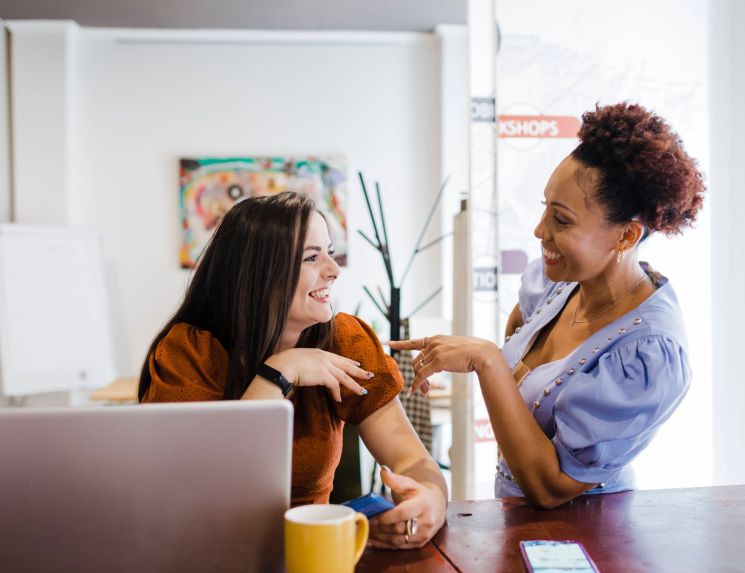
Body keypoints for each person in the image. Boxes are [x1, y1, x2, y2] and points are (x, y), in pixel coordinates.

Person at [392, 102, 704, 509]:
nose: (540, 231)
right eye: (545, 209)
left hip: (589, 540)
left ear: (626, 237)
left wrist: (485, 360)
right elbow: (515, 357)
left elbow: (550, 488)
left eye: (561, 220)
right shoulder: (555, 284)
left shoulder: (648, 355)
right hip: (518, 525)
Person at [139, 192, 447, 548]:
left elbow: (412, 461)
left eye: (330, 252)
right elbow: (203, 489)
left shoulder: (343, 341)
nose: (333, 270)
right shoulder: (190, 353)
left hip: (313, 554)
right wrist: (278, 374)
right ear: (257, 274)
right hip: (207, 552)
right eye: (311, 258)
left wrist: (431, 502)